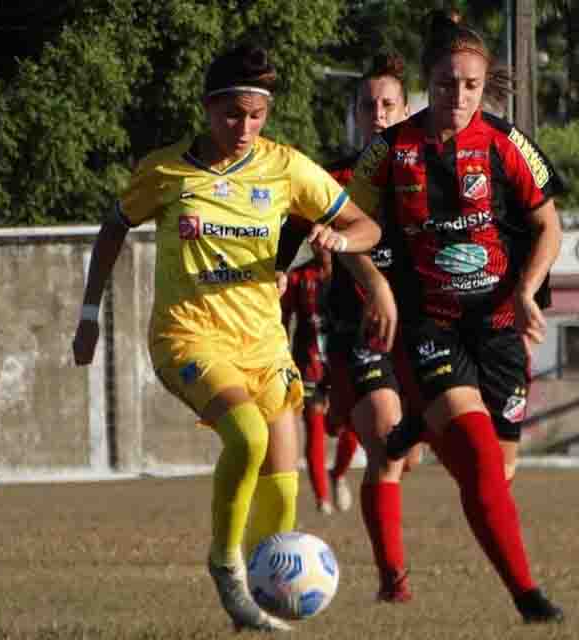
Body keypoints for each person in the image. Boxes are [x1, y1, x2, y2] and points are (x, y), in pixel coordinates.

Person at [71, 43, 380, 632]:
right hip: (188, 338)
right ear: (209, 108)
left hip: (264, 347)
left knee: (284, 498)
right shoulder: (167, 170)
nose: (244, 127)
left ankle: (263, 604)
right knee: (245, 437)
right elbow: (113, 227)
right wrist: (90, 312)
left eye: (256, 115)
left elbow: (365, 224)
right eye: (232, 114)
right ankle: (225, 564)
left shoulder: (286, 167)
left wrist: (342, 241)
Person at [344, 11, 566, 624]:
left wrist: (526, 290)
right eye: (446, 84)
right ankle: (529, 599)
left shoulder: (505, 142)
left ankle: (418, 418)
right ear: (427, 82)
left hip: (497, 325)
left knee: (501, 468)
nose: (458, 97)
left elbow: (549, 225)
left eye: (470, 85)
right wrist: (380, 293)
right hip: (429, 325)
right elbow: (351, 231)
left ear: (484, 82)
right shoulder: (390, 151)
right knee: (477, 457)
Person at [275, 52, 424, 602]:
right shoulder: (333, 177)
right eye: (369, 105)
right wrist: (273, 271)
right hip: (354, 331)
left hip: (422, 331)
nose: (379, 114)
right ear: (356, 113)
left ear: (407, 109)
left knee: (408, 455)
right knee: (386, 446)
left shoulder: (426, 173)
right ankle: (394, 580)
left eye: (389, 104)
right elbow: (292, 224)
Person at [279, 244, 354, 515]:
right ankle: (322, 498)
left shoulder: (351, 272)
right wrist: (282, 356)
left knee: (350, 426)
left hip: (343, 360)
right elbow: (283, 318)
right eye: (315, 240)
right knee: (315, 426)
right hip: (308, 361)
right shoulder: (299, 277)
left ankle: (338, 474)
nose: (321, 246)